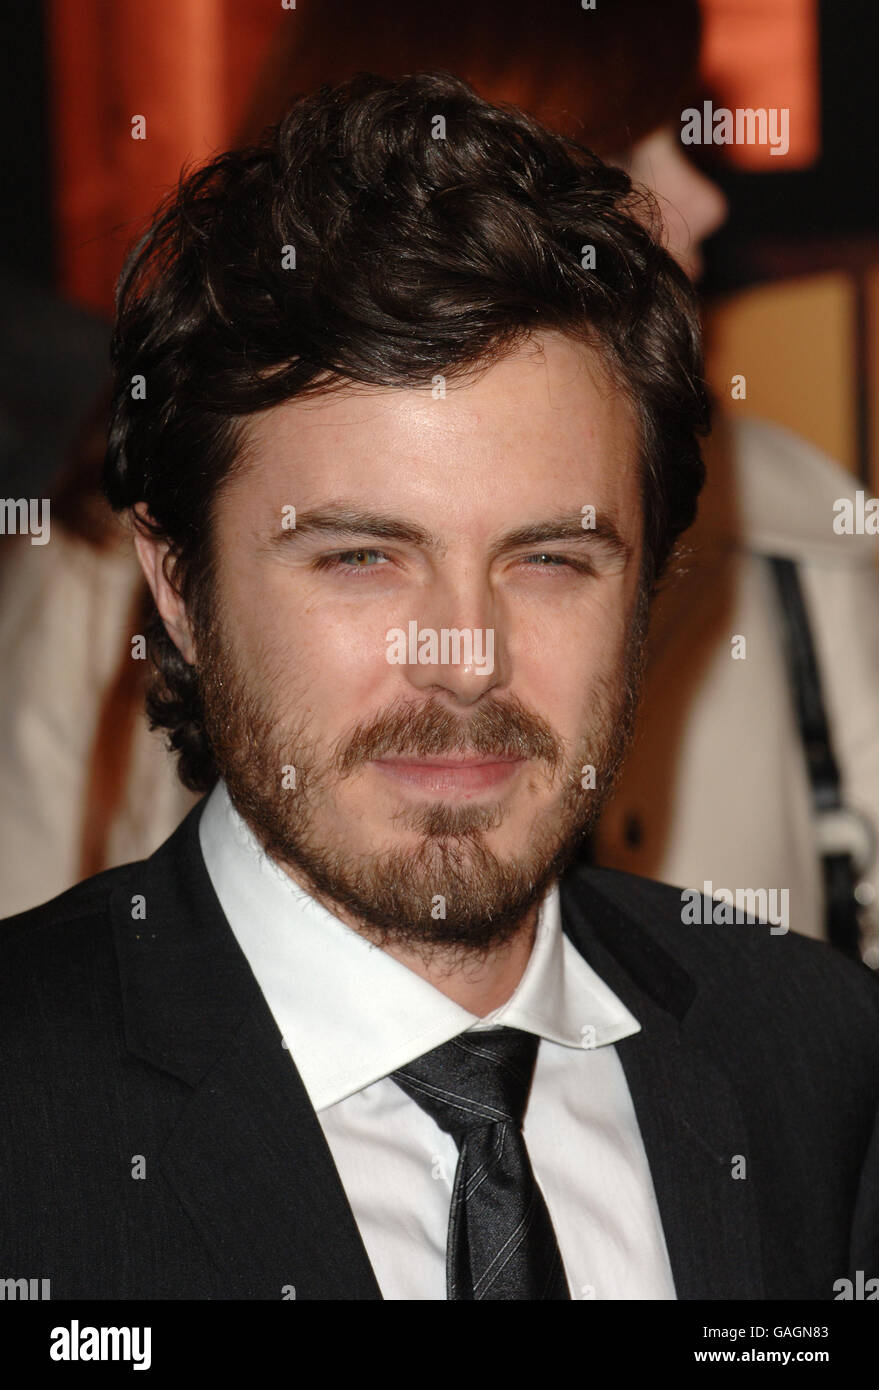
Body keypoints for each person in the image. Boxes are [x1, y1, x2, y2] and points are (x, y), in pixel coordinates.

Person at [2, 74, 877, 1301]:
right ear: (178, 587)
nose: (465, 658)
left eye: (553, 560)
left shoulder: (823, 1065)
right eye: (362, 558)